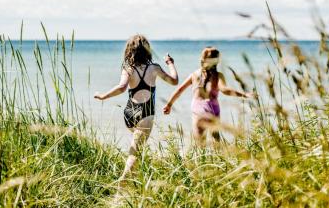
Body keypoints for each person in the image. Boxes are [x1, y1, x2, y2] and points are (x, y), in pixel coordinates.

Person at [94, 35, 178, 182]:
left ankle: (135, 181)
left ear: (129, 51)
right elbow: (174, 81)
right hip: (145, 114)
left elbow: (121, 88)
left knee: (138, 147)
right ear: (147, 51)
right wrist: (170, 63)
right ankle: (123, 181)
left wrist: (103, 96)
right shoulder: (155, 68)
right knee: (135, 152)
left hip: (129, 113)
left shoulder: (128, 69)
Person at [163, 47, 256, 143]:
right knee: (216, 139)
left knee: (199, 142)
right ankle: (218, 156)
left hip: (197, 109)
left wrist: (169, 104)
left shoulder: (194, 75)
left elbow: (179, 90)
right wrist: (244, 94)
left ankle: (202, 157)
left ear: (202, 60)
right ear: (217, 61)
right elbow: (224, 90)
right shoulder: (218, 76)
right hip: (212, 109)